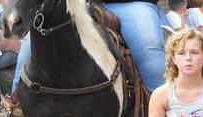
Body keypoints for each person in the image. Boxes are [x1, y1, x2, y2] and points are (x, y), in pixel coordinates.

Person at [12, 1, 171, 93]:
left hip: (131, 3)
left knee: (150, 53)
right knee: (30, 48)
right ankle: (15, 109)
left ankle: (165, 115)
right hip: (75, 5)